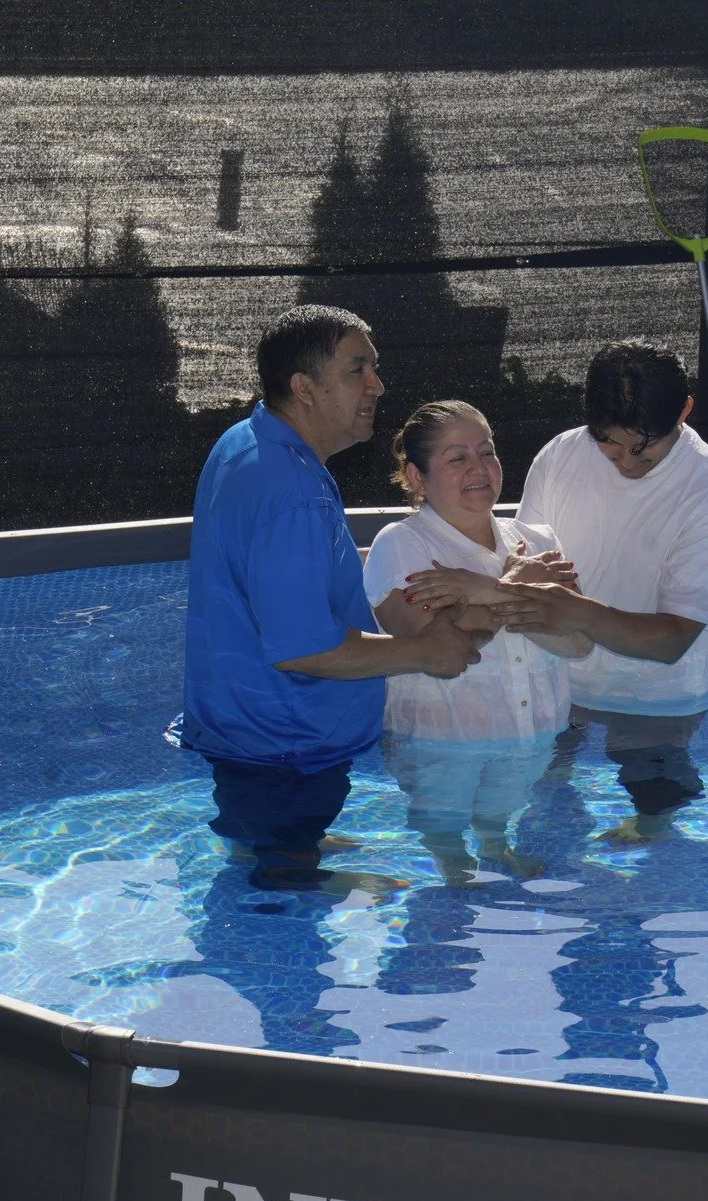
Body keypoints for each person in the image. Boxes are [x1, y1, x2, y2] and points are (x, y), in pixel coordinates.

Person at [179, 305, 487, 898]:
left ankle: (279, 846)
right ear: (304, 388)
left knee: (262, 832)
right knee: (281, 880)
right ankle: (299, 871)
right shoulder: (292, 490)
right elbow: (304, 649)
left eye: (373, 368)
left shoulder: (246, 443)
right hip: (285, 741)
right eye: (356, 370)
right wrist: (425, 651)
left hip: (239, 722)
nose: (377, 386)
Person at [414, 343, 708, 839]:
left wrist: (577, 613)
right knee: (539, 783)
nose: (626, 461)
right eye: (610, 444)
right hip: (562, 676)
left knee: (654, 793)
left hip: (660, 691)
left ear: (684, 411)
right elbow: (522, 563)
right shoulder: (562, 455)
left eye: (643, 447)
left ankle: (652, 828)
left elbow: (674, 640)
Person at [361, 400, 590, 884]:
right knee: (442, 820)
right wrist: (524, 592)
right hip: (442, 742)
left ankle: (494, 843)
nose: (479, 468)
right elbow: (440, 641)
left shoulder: (537, 540)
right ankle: (450, 863)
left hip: (533, 732)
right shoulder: (402, 544)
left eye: (487, 452)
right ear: (417, 477)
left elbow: (579, 643)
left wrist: (485, 591)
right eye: (457, 457)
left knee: (501, 808)